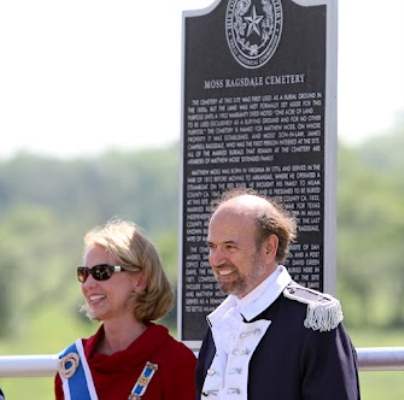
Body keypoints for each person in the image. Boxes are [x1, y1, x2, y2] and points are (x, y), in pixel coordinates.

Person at [196, 188, 361, 400]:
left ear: (268, 248)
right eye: (212, 247)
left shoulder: (313, 324)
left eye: (230, 246)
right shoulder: (220, 325)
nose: (216, 260)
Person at [55, 220, 196, 400]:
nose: (88, 284)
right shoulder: (72, 366)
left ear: (139, 280)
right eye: (84, 273)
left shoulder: (177, 363)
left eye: (101, 272)